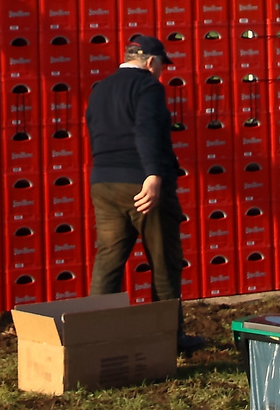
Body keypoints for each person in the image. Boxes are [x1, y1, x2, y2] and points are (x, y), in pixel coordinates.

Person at [85, 33, 206, 355]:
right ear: (151, 62)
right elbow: (147, 129)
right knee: (164, 261)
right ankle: (169, 337)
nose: (162, 72)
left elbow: (95, 131)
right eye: (162, 66)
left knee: (108, 260)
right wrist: (153, 174)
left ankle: (95, 336)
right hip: (141, 183)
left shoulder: (99, 89)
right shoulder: (148, 87)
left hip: (103, 182)